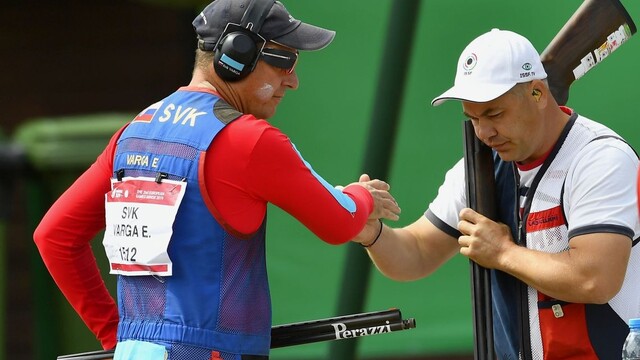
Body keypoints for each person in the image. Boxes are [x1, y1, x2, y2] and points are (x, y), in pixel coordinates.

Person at [33, 0, 401, 359]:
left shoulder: (134, 132)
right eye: (283, 61)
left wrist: (114, 335)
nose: (293, 81)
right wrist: (362, 195)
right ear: (236, 55)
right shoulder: (250, 139)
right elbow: (340, 220)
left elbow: (54, 236)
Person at [352, 28, 640, 359]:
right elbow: (415, 254)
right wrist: (369, 231)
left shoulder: (599, 158)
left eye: (494, 113)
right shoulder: (480, 168)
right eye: (472, 118)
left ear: (537, 93)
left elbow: (595, 279)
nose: (484, 132)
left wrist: (502, 252)